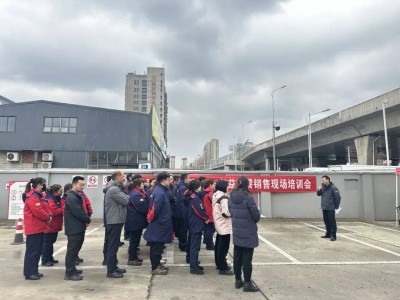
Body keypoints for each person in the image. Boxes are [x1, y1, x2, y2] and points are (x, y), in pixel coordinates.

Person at [229, 176, 260, 292]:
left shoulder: (231, 197)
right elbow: (256, 216)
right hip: (248, 232)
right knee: (247, 259)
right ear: (247, 184)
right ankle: (247, 282)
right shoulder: (249, 197)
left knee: (237, 257)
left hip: (237, 231)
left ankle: (238, 280)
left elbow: (230, 212)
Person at [143, 171, 172, 275]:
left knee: (159, 246)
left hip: (161, 223)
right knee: (156, 246)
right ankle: (155, 267)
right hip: (159, 224)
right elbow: (155, 210)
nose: (170, 181)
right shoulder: (159, 192)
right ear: (163, 180)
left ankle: (157, 264)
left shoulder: (161, 190)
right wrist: (153, 219)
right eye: (169, 179)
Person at [23, 177, 51, 280]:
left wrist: (49, 214)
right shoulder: (33, 196)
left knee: (38, 251)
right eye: (42, 184)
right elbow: (38, 211)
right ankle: (29, 273)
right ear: (38, 185)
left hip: (40, 228)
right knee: (32, 252)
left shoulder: (40, 196)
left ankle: (34, 270)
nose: (43, 186)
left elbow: (45, 208)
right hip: (34, 228)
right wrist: (48, 216)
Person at [64, 176, 91, 281]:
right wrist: (87, 219)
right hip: (74, 228)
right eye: (81, 184)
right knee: (72, 250)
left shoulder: (76, 195)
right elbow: (78, 212)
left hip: (78, 227)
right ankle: (69, 273)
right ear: (74, 184)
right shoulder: (71, 197)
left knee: (75, 250)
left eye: (83, 185)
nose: (82, 186)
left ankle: (72, 269)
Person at [104, 170, 129, 278]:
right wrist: (126, 197)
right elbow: (126, 201)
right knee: (113, 247)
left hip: (116, 220)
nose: (124, 178)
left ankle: (114, 267)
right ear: (118, 177)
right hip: (114, 220)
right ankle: (111, 270)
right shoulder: (114, 189)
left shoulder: (116, 188)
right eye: (123, 176)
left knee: (113, 246)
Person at [212, 180, 234, 275]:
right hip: (224, 225)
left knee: (218, 245)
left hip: (218, 223)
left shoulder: (215, 194)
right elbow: (225, 212)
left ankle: (219, 263)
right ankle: (223, 267)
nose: (228, 187)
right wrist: (233, 214)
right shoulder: (223, 197)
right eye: (227, 186)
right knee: (223, 247)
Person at [186, 180, 208, 275]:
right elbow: (199, 211)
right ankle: (193, 267)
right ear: (196, 188)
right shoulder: (195, 198)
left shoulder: (193, 196)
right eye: (199, 186)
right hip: (196, 224)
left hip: (193, 223)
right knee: (195, 247)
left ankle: (194, 263)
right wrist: (206, 217)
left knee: (193, 245)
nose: (201, 188)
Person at [126, 178, 149, 266]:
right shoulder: (135, 195)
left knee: (136, 240)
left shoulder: (137, 193)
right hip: (135, 221)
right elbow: (141, 208)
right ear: (137, 185)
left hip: (136, 221)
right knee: (134, 241)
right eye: (142, 184)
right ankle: (132, 258)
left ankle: (134, 257)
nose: (144, 185)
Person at [42, 184, 64, 267]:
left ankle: (49, 257)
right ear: (54, 192)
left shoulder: (57, 198)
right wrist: (63, 209)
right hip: (50, 225)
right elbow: (54, 211)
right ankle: (45, 260)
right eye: (60, 191)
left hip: (54, 225)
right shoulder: (50, 200)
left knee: (51, 242)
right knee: (47, 243)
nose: (61, 192)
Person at [317, 175, 341, 241]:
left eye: (323, 180)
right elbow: (318, 194)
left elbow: (338, 197)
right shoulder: (323, 187)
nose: (322, 181)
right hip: (324, 207)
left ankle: (333, 235)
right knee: (326, 221)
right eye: (322, 180)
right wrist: (318, 190)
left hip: (330, 207)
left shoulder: (333, 187)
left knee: (332, 222)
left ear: (328, 180)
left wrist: (336, 206)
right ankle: (328, 233)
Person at [175, 174, 190, 252]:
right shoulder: (183, 188)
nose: (189, 180)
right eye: (189, 178)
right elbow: (183, 201)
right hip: (182, 212)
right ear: (185, 179)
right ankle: (183, 245)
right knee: (183, 230)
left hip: (179, 211)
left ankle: (182, 244)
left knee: (181, 229)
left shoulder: (179, 186)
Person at [203, 179, 216, 250]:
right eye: (214, 184)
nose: (215, 185)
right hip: (210, 214)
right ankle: (209, 244)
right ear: (210, 185)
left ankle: (208, 243)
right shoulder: (210, 193)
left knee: (208, 230)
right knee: (210, 230)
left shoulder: (205, 192)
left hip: (207, 213)